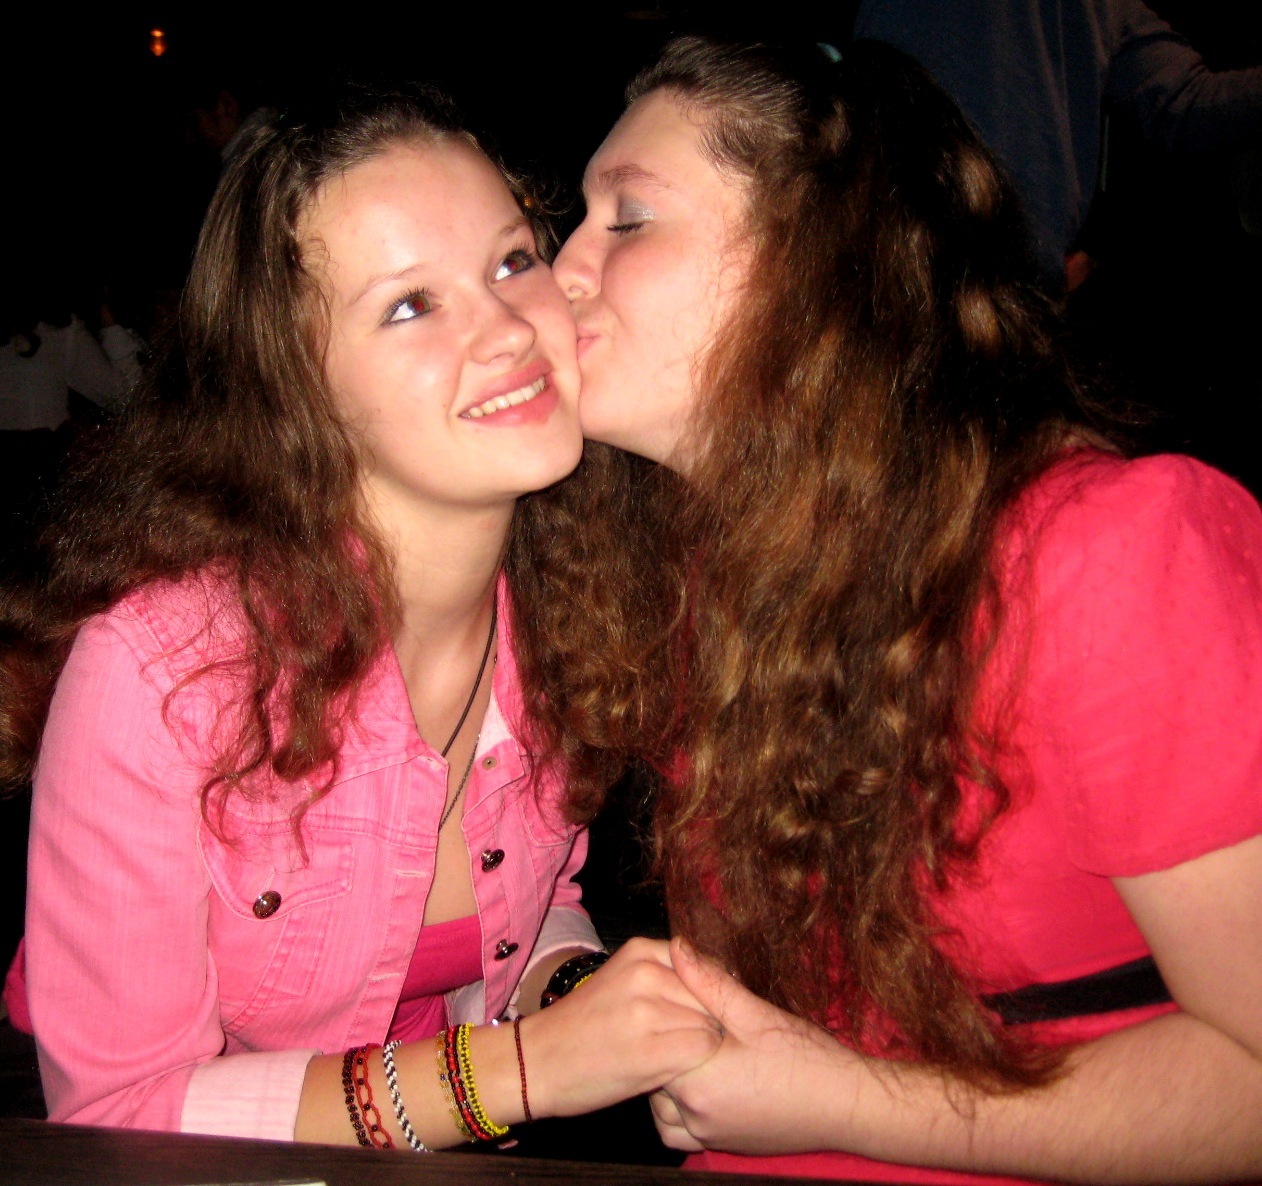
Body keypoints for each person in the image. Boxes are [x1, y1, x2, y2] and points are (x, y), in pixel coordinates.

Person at [552, 36, 1262, 1183]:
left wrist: (843, 1100)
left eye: (626, 220)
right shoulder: (712, 578)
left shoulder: (1104, 556)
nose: (561, 270)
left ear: (817, 267)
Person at [0, 81, 718, 1146]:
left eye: (511, 261)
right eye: (410, 304)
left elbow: (530, 896)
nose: (507, 330)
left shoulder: (574, 602)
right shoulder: (160, 677)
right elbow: (119, 1114)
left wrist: (571, 986)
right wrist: (521, 1069)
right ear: (296, 388)